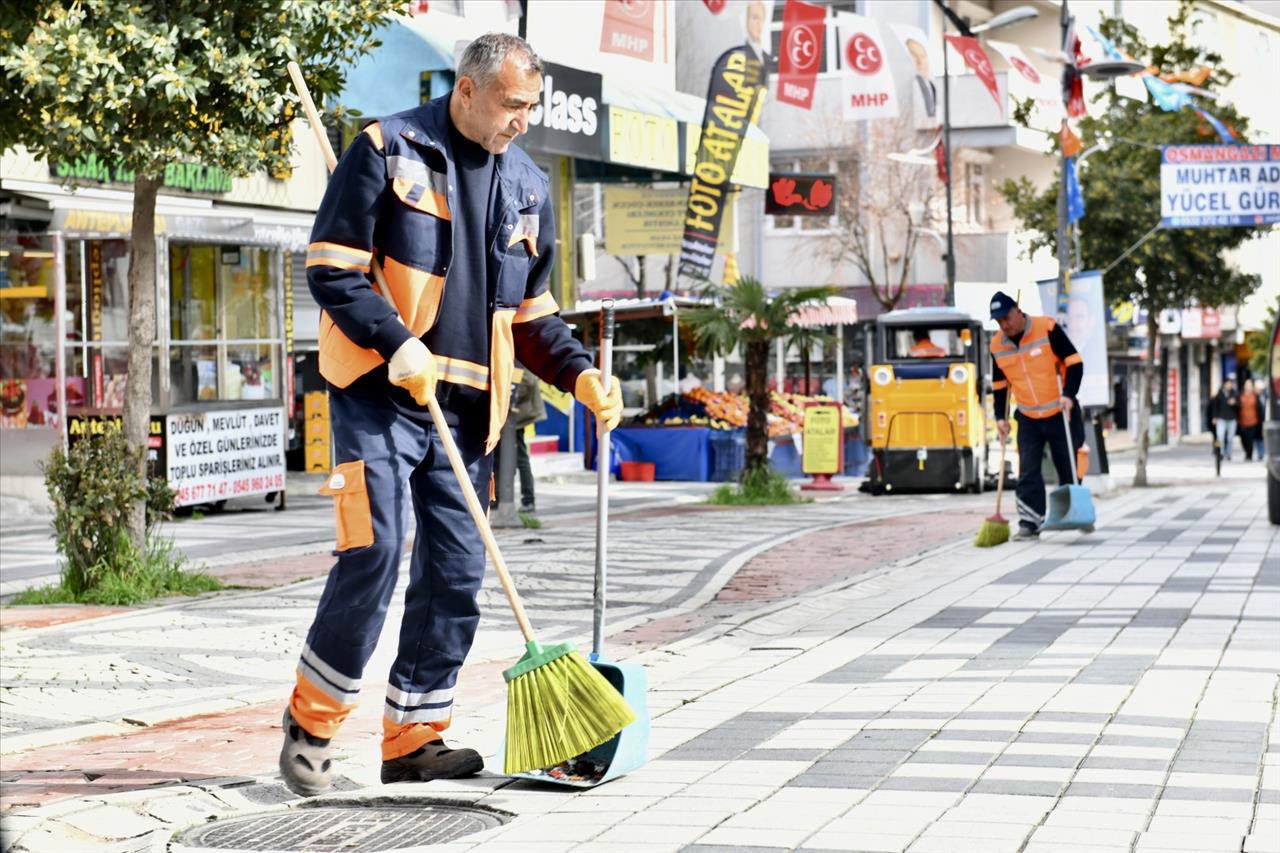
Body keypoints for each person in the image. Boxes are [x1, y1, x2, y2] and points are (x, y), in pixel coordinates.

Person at [281, 33, 622, 797]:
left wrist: (581, 373)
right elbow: (331, 267)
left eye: (531, 107)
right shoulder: (387, 148)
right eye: (511, 105)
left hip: (468, 414)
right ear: (466, 91)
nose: (521, 121)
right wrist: (394, 338)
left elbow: (533, 317)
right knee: (375, 548)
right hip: (380, 389)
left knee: (458, 573)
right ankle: (313, 723)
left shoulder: (530, 186)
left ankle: (413, 735)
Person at [988, 291, 1085, 540]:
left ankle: (1077, 513)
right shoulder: (997, 345)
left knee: (1067, 465)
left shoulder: (1046, 327)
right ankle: (1029, 523)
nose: (1004, 325)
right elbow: (1000, 385)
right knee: (1028, 471)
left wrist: (1069, 394)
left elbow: (1074, 362)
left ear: (1018, 311)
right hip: (1028, 416)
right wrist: (1000, 417)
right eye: (999, 322)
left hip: (1059, 410)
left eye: (1006, 318)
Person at [512, 362, 545, 512]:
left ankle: (528, 500)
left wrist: (508, 397)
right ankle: (498, 497)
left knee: (520, 458)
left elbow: (527, 382)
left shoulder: (517, 359)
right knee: (503, 458)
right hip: (512, 414)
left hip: (516, 414)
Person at [1210, 375, 1240, 462]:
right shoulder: (1220, 393)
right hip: (1221, 418)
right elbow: (1215, 406)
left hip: (1232, 419)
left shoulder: (1235, 393)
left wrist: (1234, 403)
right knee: (1220, 437)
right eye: (1227, 383)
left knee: (1230, 438)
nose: (1229, 385)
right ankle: (1221, 453)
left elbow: (1239, 406)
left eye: (1230, 384)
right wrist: (1214, 417)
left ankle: (1229, 453)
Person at [1237, 378, 1263, 462]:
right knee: (1243, 439)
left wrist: (1261, 420)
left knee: (1250, 439)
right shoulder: (1240, 395)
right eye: (1247, 385)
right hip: (1242, 421)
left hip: (1253, 421)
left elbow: (1259, 408)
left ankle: (1249, 455)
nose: (1248, 387)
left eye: (1250, 385)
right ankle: (1247, 452)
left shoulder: (1255, 396)